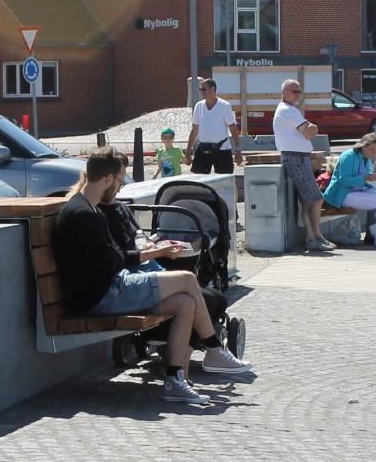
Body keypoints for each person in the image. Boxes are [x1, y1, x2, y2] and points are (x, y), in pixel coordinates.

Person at [54, 147, 252, 402]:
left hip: (109, 287)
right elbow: (113, 262)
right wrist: (150, 254)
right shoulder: (83, 214)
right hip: (103, 296)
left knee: (186, 302)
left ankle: (174, 379)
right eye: (120, 179)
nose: (120, 186)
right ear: (107, 179)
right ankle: (213, 348)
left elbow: (114, 257)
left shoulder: (88, 208)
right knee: (187, 279)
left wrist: (139, 253)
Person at [272, 78, 332, 251]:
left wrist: (311, 128)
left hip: (299, 158)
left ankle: (313, 237)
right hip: (296, 159)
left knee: (308, 201)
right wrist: (312, 127)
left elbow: (309, 132)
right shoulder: (288, 110)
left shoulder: (289, 110)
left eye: (299, 91)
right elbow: (310, 133)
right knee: (316, 198)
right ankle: (315, 237)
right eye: (293, 90)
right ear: (283, 92)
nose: (297, 94)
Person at [186, 78, 240, 175]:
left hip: (222, 149)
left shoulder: (224, 105)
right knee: (198, 181)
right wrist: (188, 151)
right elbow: (195, 130)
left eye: (204, 89)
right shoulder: (199, 106)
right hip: (203, 148)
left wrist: (238, 150)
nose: (202, 92)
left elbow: (233, 128)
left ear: (213, 89)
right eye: (200, 90)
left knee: (225, 181)